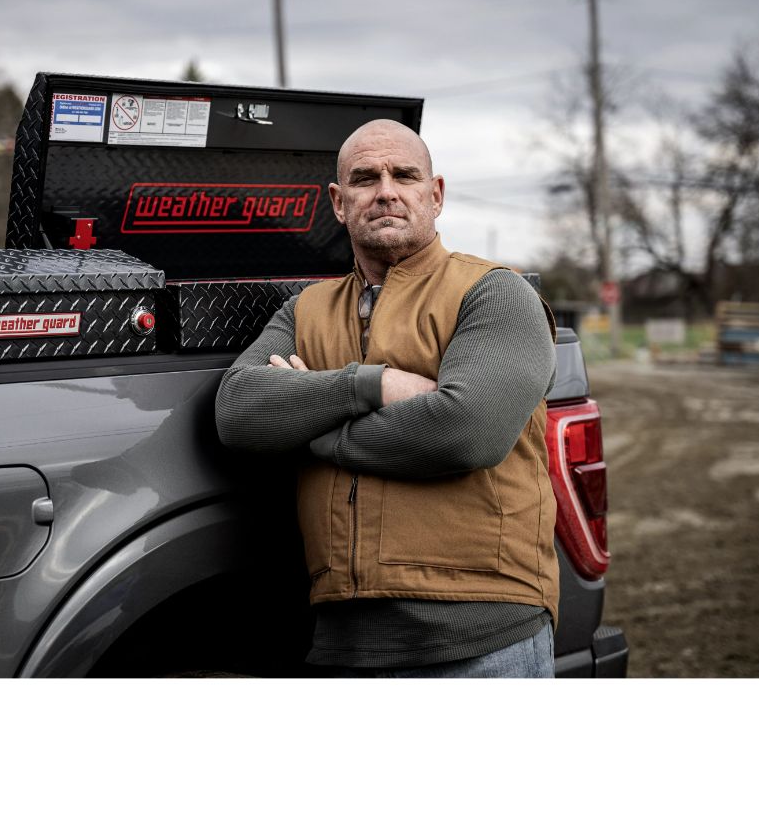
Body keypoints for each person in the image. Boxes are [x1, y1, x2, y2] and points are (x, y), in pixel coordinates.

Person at [214, 119, 558, 677]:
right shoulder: (305, 310)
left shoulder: (493, 293)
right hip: (344, 644)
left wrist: (311, 428)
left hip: (484, 640)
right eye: (365, 178)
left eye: (404, 175)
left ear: (435, 194)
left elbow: (464, 430)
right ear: (339, 202)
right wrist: (373, 384)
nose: (386, 191)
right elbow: (238, 413)